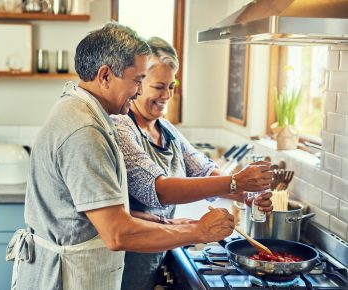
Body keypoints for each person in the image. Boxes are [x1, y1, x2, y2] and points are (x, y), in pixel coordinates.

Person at [5, 23, 239, 290]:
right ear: (105, 76)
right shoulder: (85, 130)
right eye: (138, 80)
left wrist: (168, 223)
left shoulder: (86, 112)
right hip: (67, 279)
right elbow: (117, 232)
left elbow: (104, 212)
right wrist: (199, 231)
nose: (140, 91)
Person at [111, 37, 273, 290]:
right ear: (139, 84)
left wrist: (247, 194)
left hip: (158, 253)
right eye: (159, 86)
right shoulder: (121, 125)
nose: (167, 96)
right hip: (125, 259)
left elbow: (205, 169)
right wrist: (234, 182)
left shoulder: (166, 129)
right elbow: (156, 189)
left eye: (172, 87)